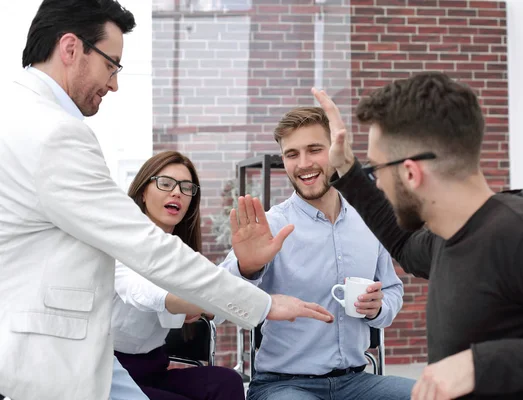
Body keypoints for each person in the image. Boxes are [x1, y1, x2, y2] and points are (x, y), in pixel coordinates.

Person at [0, 1, 333, 399]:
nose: (114, 84)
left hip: (84, 356)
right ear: (71, 49)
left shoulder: (18, 115)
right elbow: (147, 252)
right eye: (112, 65)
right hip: (44, 358)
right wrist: (261, 304)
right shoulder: (52, 132)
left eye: (187, 188)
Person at [311, 73, 523, 399]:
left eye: (375, 170)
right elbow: (403, 244)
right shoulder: (445, 237)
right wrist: (347, 170)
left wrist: (480, 364)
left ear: (410, 173)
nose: (376, 182)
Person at [220, 107, 415, 400]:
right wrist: (247, 268)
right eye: (292, 154)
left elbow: (392, 290)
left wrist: (378, 308)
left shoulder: (368, 220)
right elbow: (219, 297)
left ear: (335, 152)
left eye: (314, 149)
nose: (304, 164)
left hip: (356, 383)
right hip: (284, 385)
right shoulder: (270, 225)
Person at [112, 151, 245, 400]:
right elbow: (141, 292)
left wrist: (246, 266)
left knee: (227, 382)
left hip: (152, 369)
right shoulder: (122, 240)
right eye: (165, 183)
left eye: (186, 188)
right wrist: (187, 300)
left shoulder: (181, 253)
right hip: (110, 373)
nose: (177, 193)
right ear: (143, 191)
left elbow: (213, 314)